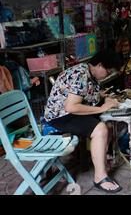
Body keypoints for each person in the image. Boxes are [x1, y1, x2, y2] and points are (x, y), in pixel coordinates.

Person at [43, 50, 123, 193]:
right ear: (99, 65)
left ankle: (102, 163)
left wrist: (103, 98)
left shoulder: (89, 73)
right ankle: (100, 177)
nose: (108, 74)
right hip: (60, 116)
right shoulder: (80, 74)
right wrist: (101, 108)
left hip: (69, 112)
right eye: (108, 71)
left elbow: (86, 95)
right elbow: (71, 106)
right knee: (100, 129)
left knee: (109, 124)